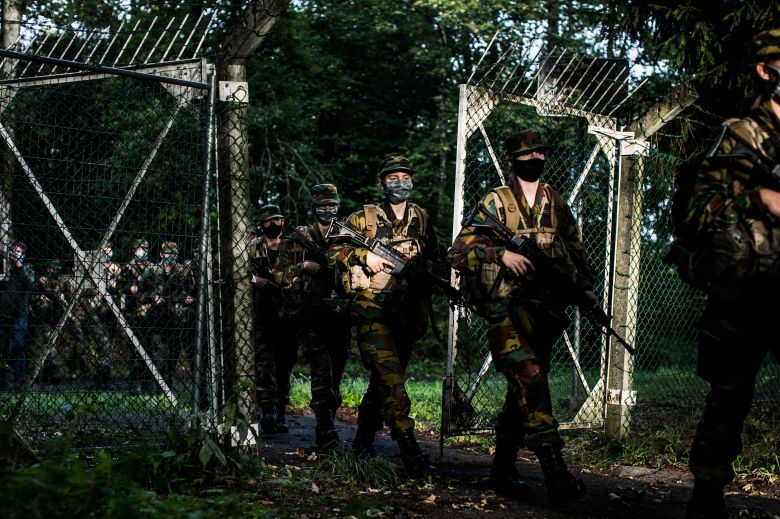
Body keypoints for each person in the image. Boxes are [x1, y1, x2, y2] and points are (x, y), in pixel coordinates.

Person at [449, 131, 595, 502]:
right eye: (527, 154)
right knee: (532, 383)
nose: (535, 158)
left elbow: (575, 252)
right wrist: (500, 255)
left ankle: (501, 470)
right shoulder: (495, 202)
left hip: (541, 313)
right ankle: (556, 475)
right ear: (512, 160)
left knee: (521, 394)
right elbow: (459, 251)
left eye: (540, 153)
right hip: (505, 311)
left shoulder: (556, 203)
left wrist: (587, 290)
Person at [675, 28, 780, 519]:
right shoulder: (741, 134)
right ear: (766, 69)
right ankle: (708, 494)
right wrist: (760, 197)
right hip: (744, 291)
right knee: (729, 397)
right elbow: (698, 214)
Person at [327, 155, 441, 472]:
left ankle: (362, 441)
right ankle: (409, 447)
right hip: (372, 309)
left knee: (385, 379)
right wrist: (364, 255)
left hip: (407, 312)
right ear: (382, 184)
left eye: (405, 177)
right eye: (393, 178)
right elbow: (333, 251)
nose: (400, 182)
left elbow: (434, 255)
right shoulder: (363, 219)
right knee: (392, 380)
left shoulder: (421, 217)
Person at [273, 184, 351, 451]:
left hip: (340, 314)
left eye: (332, 205)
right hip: (309, 315)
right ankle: (324, 424)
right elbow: (278, 275)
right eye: (322, 206)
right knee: (321, 365)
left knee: (337, 367)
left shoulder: (347, 236)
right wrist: (303, 266)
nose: (328, 210)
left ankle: (329, 412)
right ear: (314, 208)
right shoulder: (297, 238)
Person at [251, 204, 297, 434]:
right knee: (263, 363)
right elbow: (235, 269)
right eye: (268, 221)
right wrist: (254, 280)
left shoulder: (293, 246)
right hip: (262, 314)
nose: (273, 224)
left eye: (277, 220)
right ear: (261, 224)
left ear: (283, 221)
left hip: (288, 316)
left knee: (284, 365)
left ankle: (281, 411)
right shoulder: (253, 247)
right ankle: (267, 409)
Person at [143, 242, 195, 389]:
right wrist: (154, 297)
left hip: (176, 316)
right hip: (157, 316)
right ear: (161, 254)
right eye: (168, 253)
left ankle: (168, 378)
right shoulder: (152, 271)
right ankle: (156, 382)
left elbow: (189, 291)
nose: (171, 256)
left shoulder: (183, 271)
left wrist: (184, 298)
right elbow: (142, 292)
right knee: (158, 350)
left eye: (174, 253)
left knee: (175, 349)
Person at [0, 240, 36, 388]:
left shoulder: (26, 269)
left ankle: (19, 380)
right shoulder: (3, 270)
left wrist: (19, 265)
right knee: (1, 347)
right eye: (13, 250)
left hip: (19, 314)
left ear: (23, 255)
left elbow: (30, 282)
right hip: (2, 314)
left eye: (19, 251)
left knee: (17, 345)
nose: (15, 253)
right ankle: (3, 380)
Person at [121, 238, 153, 393]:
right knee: (134, 348)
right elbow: (123, 286)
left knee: (149, 346)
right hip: (133, 311)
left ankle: (147, 381)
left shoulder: (152, 267)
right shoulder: (128, 268)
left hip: (148, 312)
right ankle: (135, 382)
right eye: (138, 248)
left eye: (144, 248)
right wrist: (130, 287)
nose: (141, 251)